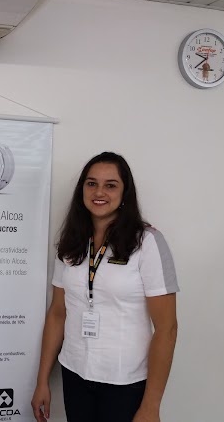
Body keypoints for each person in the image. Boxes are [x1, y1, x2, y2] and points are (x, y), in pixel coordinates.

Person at [31, 152, 179, 422]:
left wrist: (151, 406)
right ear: (82, 190)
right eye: (92, 183)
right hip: (75, 372)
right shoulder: (71, 242)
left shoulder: (147, 243)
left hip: (125, 382)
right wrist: (42, 381)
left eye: (110, 185)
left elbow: (167, 329)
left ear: (125, 193)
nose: (99, 192)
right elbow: (58, 313)